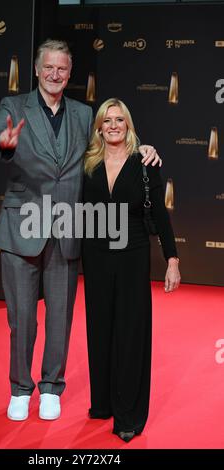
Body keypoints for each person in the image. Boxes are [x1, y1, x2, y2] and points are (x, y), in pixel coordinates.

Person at [0, 39, 161, 422]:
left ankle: (51, 387)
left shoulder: (83, 113)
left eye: (62, 68)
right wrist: (4, 144)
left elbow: (110, 146)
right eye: (49, 67)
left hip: (67, 230)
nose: (55, 74)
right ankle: (19, 387)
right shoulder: (13, 107)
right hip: (21, 229)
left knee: (60, 316)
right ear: (36, 69)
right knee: (22, 317)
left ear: (69, 71)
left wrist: (144, 150)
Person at [82, 98, 180, 442]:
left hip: (132, 254)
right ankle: (104, 403)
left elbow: (161, 215)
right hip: (94, 256)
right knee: (100, 330)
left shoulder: (144, 161)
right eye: (107, 120)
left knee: (130, 333)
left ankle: (129, 415)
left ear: (128, 125)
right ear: (98, 126)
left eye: (119, 120)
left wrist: (172, 259)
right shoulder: (88, 162)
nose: (113, 126)